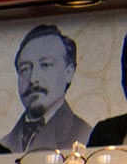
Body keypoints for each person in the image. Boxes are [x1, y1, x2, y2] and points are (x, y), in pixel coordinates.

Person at [6, 23, 91, 154]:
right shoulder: (1, 145)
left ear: (68, 71)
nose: (33, 79)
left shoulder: (86, 136)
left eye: (45, 65)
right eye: (25, 69)